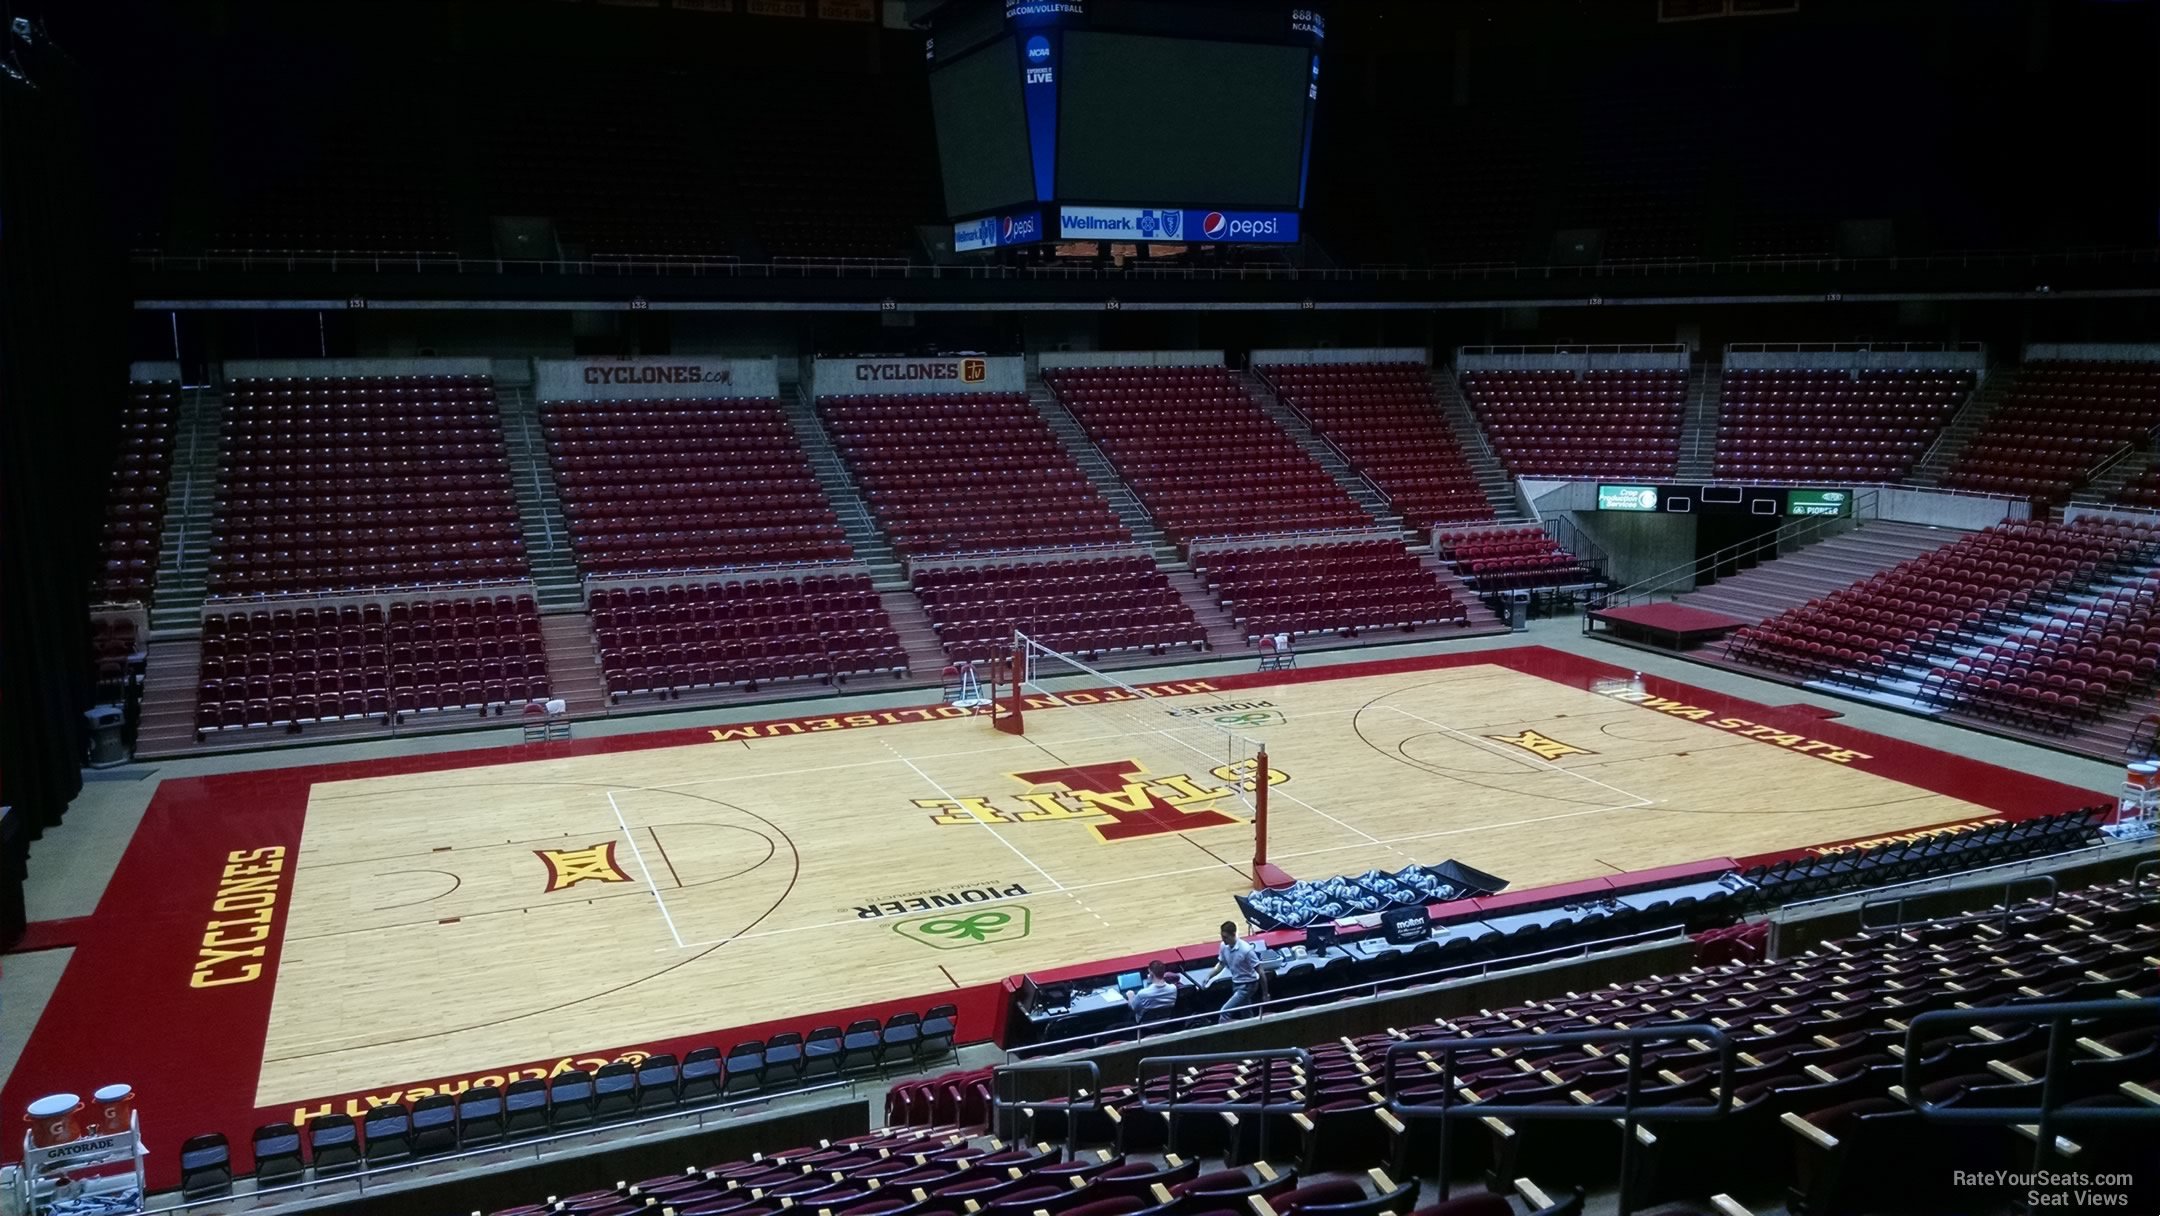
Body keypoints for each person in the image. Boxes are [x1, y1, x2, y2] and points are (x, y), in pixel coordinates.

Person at [1202, 920, 1264, 1022]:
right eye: (1222, 937)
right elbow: (1221, 964)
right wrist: (1209, 976)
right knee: (1247, 1014)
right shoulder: (1223, 946)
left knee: (1224, 1012)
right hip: (1236, 983)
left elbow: (1260, 970)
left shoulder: (1246, 950)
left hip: (1248, 985)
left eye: (1226, 937)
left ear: (1234, 934)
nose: (1223, 940)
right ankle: (1251, 1030)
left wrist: (1265, 994)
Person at [1126, 960, 1179, 1025]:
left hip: (1145, 1026)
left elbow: (1133, 1008)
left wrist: (1130, 996)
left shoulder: (1142, 994)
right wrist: (1149, 983)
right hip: (1165, 1022)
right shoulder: (1173, 988)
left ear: (1150, 973)